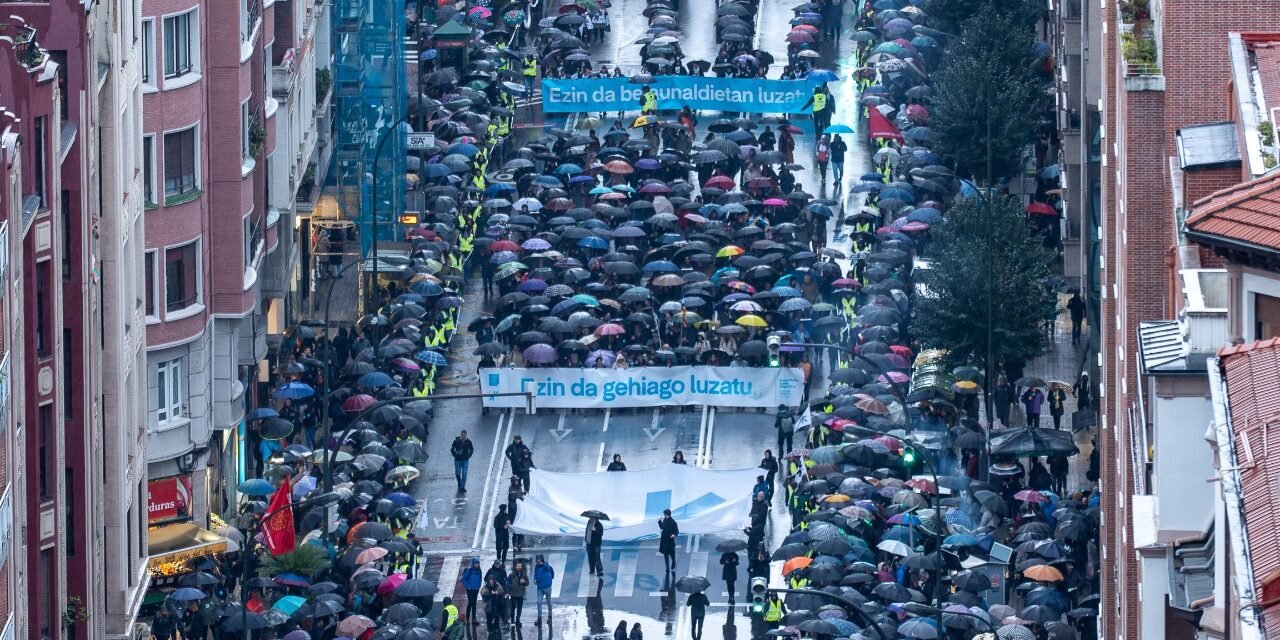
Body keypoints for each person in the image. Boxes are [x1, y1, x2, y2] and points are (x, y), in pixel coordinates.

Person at [460, 557, 483, 624]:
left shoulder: (479, 570)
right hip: (470, 590)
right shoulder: (469, 570)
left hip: (476, 589)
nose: (477, 564)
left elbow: (480, 578)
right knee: (470, 603)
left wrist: (478, 586)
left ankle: (473, 618)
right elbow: (463, 579)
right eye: (476, 563)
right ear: (473, 563)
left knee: (474, 603)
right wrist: (468, 587)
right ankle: (467, 618)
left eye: (478, 563)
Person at [534, 554, 555, 626]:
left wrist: (543, 564)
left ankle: (550, 617)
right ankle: (539, 618)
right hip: (539, 587)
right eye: (537, 560)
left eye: (539, 560)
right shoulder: (536, 567)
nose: (538, 561)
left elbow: (547, 568)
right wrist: (535, 579)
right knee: (538, 602)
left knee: (549, 601)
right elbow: (535, 574)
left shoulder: (546, 566)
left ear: (542, 560)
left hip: (547, 587)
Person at [509, 559, 530, 625]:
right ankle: (512, 620)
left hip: (520, 594)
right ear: (515, 567)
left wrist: (524, 582)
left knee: (519, 608)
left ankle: (518, 620)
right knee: (513, 607)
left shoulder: (524, 575)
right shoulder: (511, 575)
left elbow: (527, 583)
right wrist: (510, 589)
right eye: (518, 566)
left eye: (520, 566)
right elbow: (507, 583)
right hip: (513, 594)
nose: (519, 568)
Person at [658, 509, 679, 573]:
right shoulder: (664, 520)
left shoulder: (673, 522)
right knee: (665, 555)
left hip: (670, 542)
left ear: (667, 514)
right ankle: (667, 567)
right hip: (664, 542)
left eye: (664, 514)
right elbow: (662, 528)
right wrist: (659, 522)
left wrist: (673, 535)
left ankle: (673, 564)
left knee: (672, 556)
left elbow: (676, 531)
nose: (664, 515)